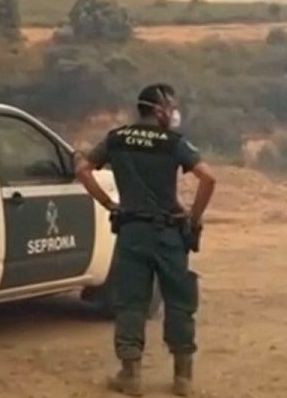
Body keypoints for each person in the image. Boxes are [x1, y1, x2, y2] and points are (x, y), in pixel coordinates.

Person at [74, 83, 216, 397]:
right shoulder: (173, 143)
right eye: (171, 106)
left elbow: (83, 169)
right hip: (168, 234)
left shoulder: (116, 138)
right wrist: (193, 218)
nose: (174, 113)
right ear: (159, 108)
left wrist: (109, 204)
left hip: (131, 232)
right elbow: (209, 177)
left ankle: (131, 375)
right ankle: (183, 379)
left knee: (131, 304)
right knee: (179, 303)